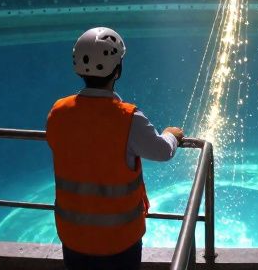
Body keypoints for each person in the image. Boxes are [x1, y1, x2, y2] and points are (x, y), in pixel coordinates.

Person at [46, 27, 185, 270]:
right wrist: (172, 136)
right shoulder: (128, 118)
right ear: (117, 70)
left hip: (73, 236)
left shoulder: (58, 111)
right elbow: (162, 151)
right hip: (120, 241)